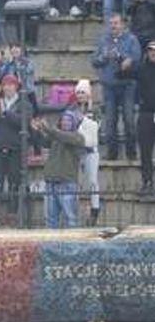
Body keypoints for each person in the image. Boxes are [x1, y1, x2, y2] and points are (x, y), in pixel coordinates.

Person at [92, 14, 141, 160]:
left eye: (116, 23)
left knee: (129, 120)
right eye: (111, 23)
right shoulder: (103, 40)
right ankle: (112, 154)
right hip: (109, 87)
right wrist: (104, 57)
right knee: (110, 122)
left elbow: (137, 58)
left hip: (127, 86)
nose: (113, 26)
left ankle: (131, 153)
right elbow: (94, 61)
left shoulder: (131, 39)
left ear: (123, 25)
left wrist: (122, 56)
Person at [0, 75, 30, 227]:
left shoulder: (23, 103)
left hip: (15, 148)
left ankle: (12, 214)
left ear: (16, 87)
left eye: (11, 85)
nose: (8, 88)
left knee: (14, 182)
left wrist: (7, 113)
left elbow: (23, 122)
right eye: (5, 85)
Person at [32, 110, 87, 230]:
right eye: (63, 120)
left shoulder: (78, 137)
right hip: (51, 182)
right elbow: (42, 141)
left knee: (71, 219)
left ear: (74, 124)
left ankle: (72, 245)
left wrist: (47, 128)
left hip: (67, 183)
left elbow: (61, 136)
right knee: (51, 221)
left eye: (69, 120)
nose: (65, 122)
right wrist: (37, 129)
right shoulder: (55, 138)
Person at [73, 80, 103, 224]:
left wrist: (84, 120)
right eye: (78, 92)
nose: (80, 95)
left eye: (82, 92)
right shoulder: (73, 109)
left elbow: (96, 127)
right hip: (78, 150)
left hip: (91, 150)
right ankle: (75, 211)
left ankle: (95, 210)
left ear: (88, 93)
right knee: (76, 182)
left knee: (92, 181)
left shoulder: (95, 109)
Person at [137, 41, 155, 198]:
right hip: (146, 113)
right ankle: (147, 182)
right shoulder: (142, 69)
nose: (153, 53)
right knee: (145, 151)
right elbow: (122, 73)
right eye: (151, 50)